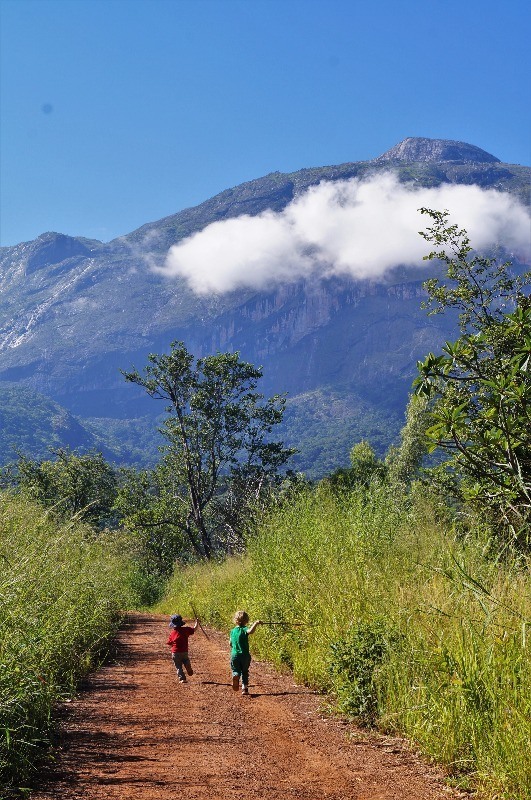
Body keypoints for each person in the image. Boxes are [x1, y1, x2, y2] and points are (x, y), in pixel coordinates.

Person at [229, 610, 262, 696]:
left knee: (236, 669)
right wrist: (256, 623)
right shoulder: (244, 629)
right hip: (245, 655)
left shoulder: (232, 631)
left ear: (235, 620)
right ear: (246, 620)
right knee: (244, 671)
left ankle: (236, 675)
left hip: (235, 655)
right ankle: (244, 688)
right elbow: (250, 631)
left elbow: (230, 643)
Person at [167, 614, 198, 683]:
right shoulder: (186, 630)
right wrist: (197, 622)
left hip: (175, 652)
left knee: (178, 666)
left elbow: (169, 643)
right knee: (186, 660)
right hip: (184, 651)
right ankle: (188, 665)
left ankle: (182, 679)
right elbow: (194, 629)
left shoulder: (172, 633)